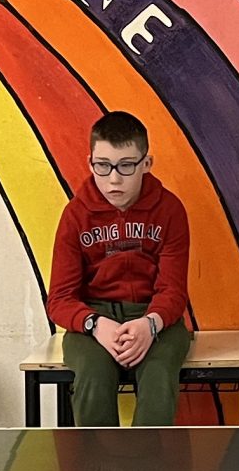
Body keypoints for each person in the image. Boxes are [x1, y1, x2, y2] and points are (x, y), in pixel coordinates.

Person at [45, 110, 193, 427]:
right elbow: (59, 299)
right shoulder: (75, 215)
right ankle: (98, 461)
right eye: (103, 165)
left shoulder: (170, 210)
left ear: (146, 163)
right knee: (92, 376)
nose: (114, 179)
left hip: (155, 316)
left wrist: (150, 324)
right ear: (90, 164)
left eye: (126, 166)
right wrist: (95, 324)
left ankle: (150, 461)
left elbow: (173, 290)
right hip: (93, 319)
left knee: (158, 378)